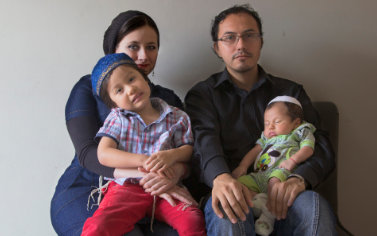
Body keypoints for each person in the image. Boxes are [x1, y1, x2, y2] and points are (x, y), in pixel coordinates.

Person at [184, 4, 337, 236]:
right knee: (228, 211)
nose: (241, 45)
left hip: (285, 191)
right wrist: (221, 177)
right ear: (217, 47)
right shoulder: (203, 95)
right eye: (230, 38)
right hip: (233, 188)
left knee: (314, 206)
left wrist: (299, 179)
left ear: (261, 42)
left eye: (249, 35)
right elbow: (204, 141)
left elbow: (322, 145)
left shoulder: (291, 93)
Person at [51, 10, 190, 236]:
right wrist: (146, 173)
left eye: (151, 47)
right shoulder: (86, 89)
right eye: (134, 46)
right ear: (113, 49)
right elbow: (87, 153)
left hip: (153, 193)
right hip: (90, 189)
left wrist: (176, 173)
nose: (144, 55)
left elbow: (187, 152)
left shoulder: (169, 100)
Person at [80, 53, 206, 236]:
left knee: (192, 219)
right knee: (100, 226)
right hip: (127, 188)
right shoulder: (118, 118)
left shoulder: (177, 116)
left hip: (165, 186)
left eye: (132, 79)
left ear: (144, 78)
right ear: (113, 103)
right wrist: (143, 160)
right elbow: (104, 153)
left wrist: (172, 155)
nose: (130, 89)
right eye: (119, 90)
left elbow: (189, 151)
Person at [233, 96, 316, 235]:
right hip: (259, 174)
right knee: (238, 185)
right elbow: (254, 151)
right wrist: (242, 166)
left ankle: (267, 219)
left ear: (295, 123)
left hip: (281, 171)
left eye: (277, 122)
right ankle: (258, 202)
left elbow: (308, 149)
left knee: (274, 182)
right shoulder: (266, 138)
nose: (270, 126)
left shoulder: (299, 132)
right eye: (266, 123)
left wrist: (293, 161)